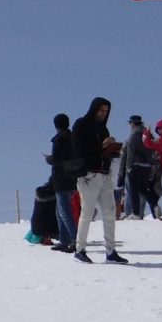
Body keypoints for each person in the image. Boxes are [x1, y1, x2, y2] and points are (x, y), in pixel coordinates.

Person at [70, 96, 128, 263]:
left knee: (110, 212)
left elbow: (101, 151)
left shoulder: (103, 129)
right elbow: (78, 148)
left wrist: (112, 149)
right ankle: (79, 250)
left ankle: (111, 251)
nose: (103, 113)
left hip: (103, 174)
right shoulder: (80, 124)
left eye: (106, 111)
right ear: (94, 109)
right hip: (88, 175)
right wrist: (100, 146)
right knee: (87, 213)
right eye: (101, 110)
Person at [45, 113, 78, 252]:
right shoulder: (73, 137)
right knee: (61, 211)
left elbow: (57, 160)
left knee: (64, 211)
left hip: (61, 179)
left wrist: (49, 159)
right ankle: (64, 240)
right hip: (71, 177)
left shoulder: (59, 139)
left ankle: (74, 239)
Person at [120, 115, 161, 220]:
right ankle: (155, 205)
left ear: (133, 123)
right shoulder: (148, 134)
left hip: (135, 166)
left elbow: (130, 153)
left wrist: (128, 167)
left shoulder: (133, 136)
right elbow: (153, 150)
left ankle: (136, 213)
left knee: (134, 190)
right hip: (147, 167)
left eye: (130, 123)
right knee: (144, 189)